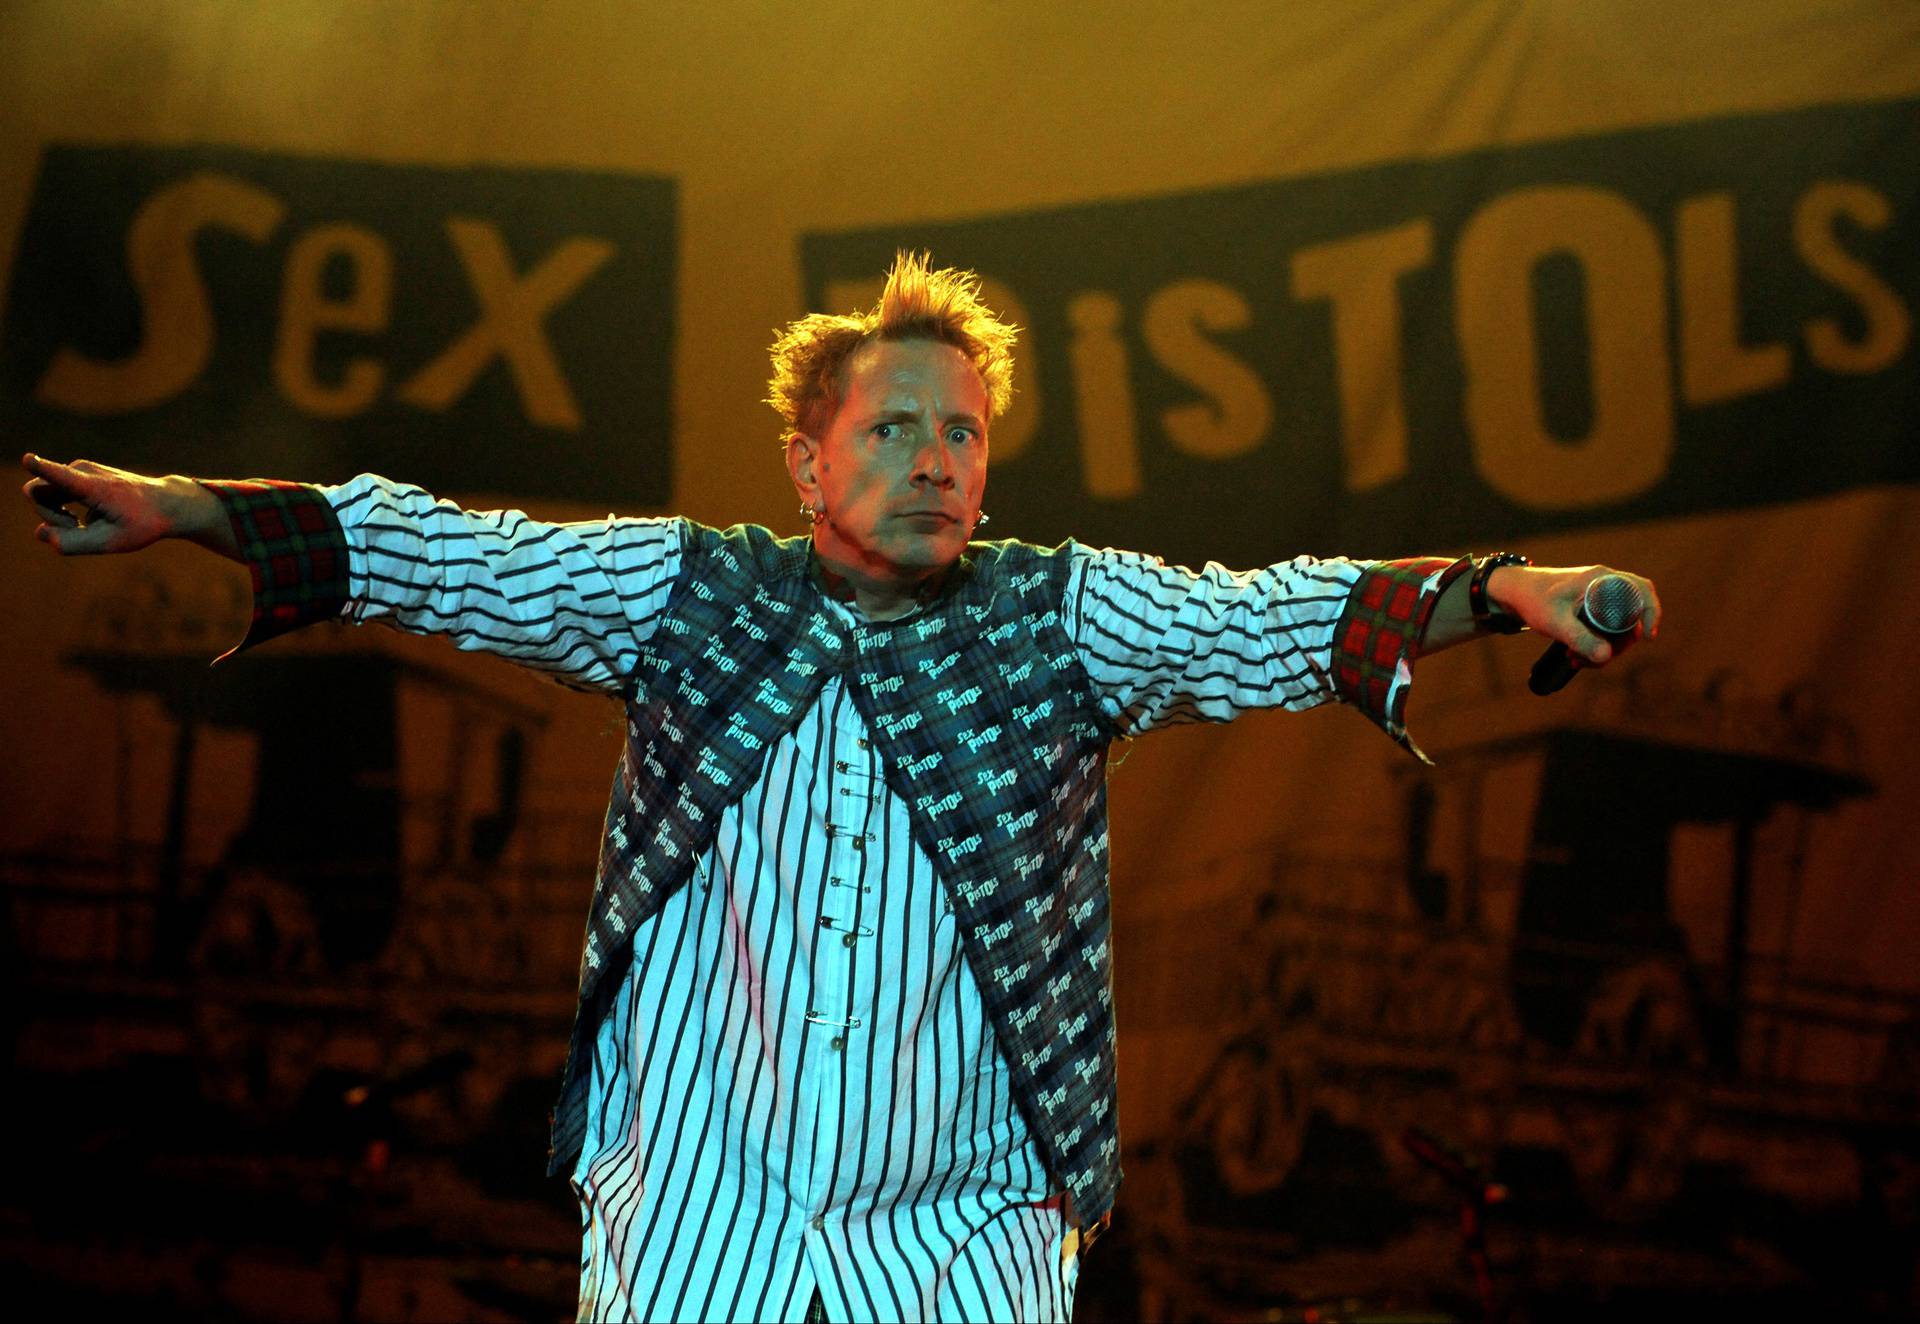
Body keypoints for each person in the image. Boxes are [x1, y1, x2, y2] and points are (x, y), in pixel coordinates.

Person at [20, 250, 1660, 1323]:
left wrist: (1504, 589)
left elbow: (1271, 614)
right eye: (894, 431)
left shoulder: (1059, 613)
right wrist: (189, 506)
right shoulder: (690, 592)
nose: (936, 459)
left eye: (964, 431)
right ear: (809, 461)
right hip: (700, 1202)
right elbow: (444, 552)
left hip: (960, 1224)